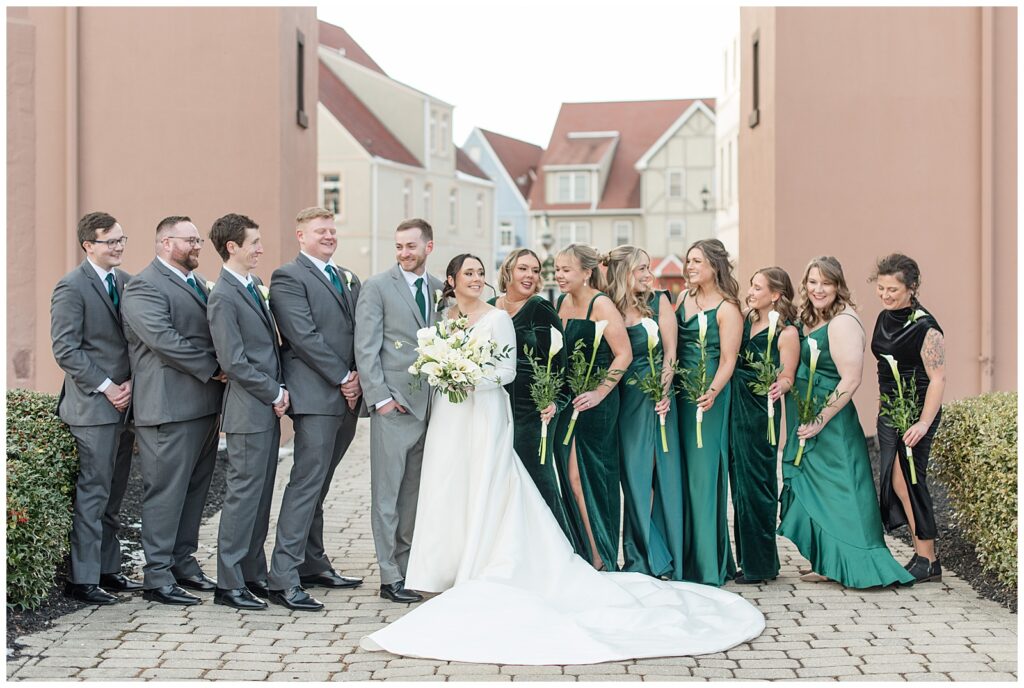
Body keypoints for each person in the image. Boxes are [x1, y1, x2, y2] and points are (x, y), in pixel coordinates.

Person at [358, 253, 765, 665]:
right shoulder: (465, 315)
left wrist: (554, 394)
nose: (538, 276)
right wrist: (447, 371)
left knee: (552, 480)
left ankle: (595, 552)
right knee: (464, 484)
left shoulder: (531, 311)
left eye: (544, 270)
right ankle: (462, 559)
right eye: (527, 270)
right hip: (472, 413)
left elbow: (538, 363)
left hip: (534, 407)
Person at [778, 256, 914, 588]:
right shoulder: (813, 318)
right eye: (812, 282)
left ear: (838, 285)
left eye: (825, 282)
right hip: (810, 419)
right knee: (821, 492)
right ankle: (828, 562)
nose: (817, 289)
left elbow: (850, 380)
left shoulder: (842, 322)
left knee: (844, 493)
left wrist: (820, 420)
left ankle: (860, 562)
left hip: (832, 424)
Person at [121, 216, 225, 605]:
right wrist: (215, 367)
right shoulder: (144, 286)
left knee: (196, 490)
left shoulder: (197, 283)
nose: (198, 246)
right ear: (166, 242)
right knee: (165, 493)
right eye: (191, 240)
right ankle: (157, 575)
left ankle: (183, 561)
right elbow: (164, 340)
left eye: (198, 239)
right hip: (167, 408)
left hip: (203, 406)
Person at [266, 207, 364, 611]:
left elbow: (358, 329)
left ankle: (312, 562)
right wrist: (343, 376)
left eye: (331, 229)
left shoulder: (347, 277)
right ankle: (283, 576)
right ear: (300, 235)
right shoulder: (288, 277)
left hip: (348, 395)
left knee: (321, 484)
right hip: (317, 395)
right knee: (306, 483)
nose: (328, 235)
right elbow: (302, 335)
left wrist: (358, 375)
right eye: (319, 230)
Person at [51, 211, 140, 605]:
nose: (119, 247)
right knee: (92, 493)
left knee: (114, 493)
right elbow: (65, 348)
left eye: (122, 240)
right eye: (111, 241)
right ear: (89, 245)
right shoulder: (71, 286)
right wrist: (107, 388)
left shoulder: (127, 282)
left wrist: (133, 384)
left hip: (127, 403)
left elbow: (136, 342)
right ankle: (82, 580)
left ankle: (108, 569)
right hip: (92, 407)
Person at [354, 218, 445, 604]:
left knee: (414, 495)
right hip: (394, 406)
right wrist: (380, 399)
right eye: (398, 247)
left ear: (429, 246)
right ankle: (389, 574)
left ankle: (408, 568)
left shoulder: (442, 290)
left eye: (411, 246)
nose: (403, 253)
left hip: (433, 409)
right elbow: (366, 347)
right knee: (387, 494)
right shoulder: (377, 287)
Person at [206, 213, 289, 611]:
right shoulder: (223, 295)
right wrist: (275, 391)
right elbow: (234, 361)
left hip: (265, 410)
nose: (260, 248)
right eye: (254, 242)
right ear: (232, 247)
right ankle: (229, 583)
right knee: (242, 498)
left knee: (260, 497)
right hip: (247, 411)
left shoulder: (253, 286)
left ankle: (252, 573)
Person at [604, 245, 684, 580]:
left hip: (656, 400)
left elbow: (670, 354)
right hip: (623, 403)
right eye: (640, 269)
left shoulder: (659, 300)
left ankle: (656, 556)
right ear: (624, 272)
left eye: (648, 268)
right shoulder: (607, 305)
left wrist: (663, 392)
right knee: (632, 479)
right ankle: (637, 553)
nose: (647, 275)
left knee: (655, 476)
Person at [552, 244, 632, 571]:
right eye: (556, 269)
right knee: (569, 477)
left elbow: (624, 354)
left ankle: (601, 551)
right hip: (569, 399)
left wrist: (599, 392)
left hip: (597, 402)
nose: (558, 275)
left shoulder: (602, 305)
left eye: (565, 270)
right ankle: (585, 547)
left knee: (590, 476)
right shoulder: (561, 303)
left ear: (587, 272)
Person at [489, 248, 576, 544]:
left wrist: (554, 401)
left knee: (539, 479)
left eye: (535, 270)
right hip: (494, 407)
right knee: (501, 481)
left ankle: (561, 550)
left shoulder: (540, 308)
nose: (530, 275)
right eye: (523, 268)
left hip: (533, 409)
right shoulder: (489, 308)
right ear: (508, 271)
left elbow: (560, 363)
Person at [870, 253, 945, 583]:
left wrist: (923, 423)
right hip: (890, 411)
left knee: (912, 480)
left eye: (893, 290)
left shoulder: (926, 328)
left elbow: (938, 379)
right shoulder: (884, 317)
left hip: (915, 414)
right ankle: (924, 555)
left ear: (912, 288)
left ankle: (927, 559)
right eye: (881, 288)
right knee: (896, 481)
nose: (885, 295)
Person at [675, 239, 742, 586]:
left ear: (715, 265)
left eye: (697, 261)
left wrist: (712, 392)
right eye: (688, 261)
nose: (690, 267)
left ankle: (707, 562)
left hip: (709, 397)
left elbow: (729, 359)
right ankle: (685, 556)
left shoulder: (728, 308)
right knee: (681, 476)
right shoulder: (682, 299)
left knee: (704, 476)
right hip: (679, 397)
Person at [728, 267, 800, 585]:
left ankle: (762, 564)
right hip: (735, 409)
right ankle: (747, 559)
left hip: (761, 413)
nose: (752, 291)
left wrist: (780, 386)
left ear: (776, 295)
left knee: (758, 485)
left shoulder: (787, 333)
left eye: (759, 288)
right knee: (740, 487)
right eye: (751, 286)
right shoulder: (744, 320)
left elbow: (787, 376)